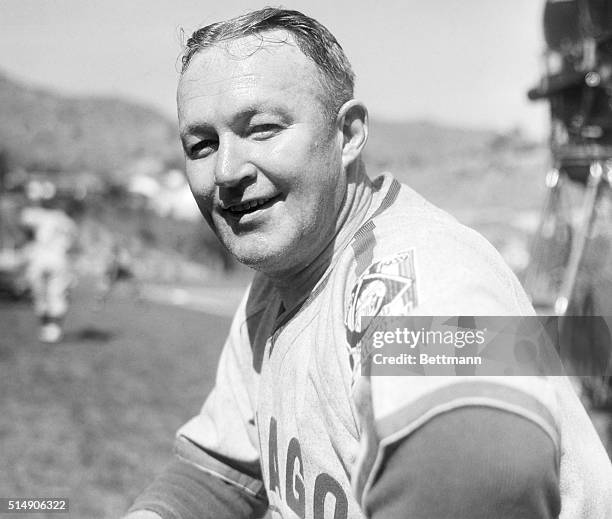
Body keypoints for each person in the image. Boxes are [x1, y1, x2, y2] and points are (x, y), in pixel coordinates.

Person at [126, 8, 612, 519]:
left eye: (263, 129)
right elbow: (218, 474)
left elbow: (489, 466)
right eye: (201, 145)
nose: (226, 171)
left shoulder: (421, 271)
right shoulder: (276, 285)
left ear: (350, 135)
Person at [19, 198, 78, 343]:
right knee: (56, 296)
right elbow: (72, 245)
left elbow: (22, 221)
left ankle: (47, 329)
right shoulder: (69, 222)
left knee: (40, 297)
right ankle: (53, 331)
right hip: (59, 260)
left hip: (39, 258)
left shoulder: (40, 215)